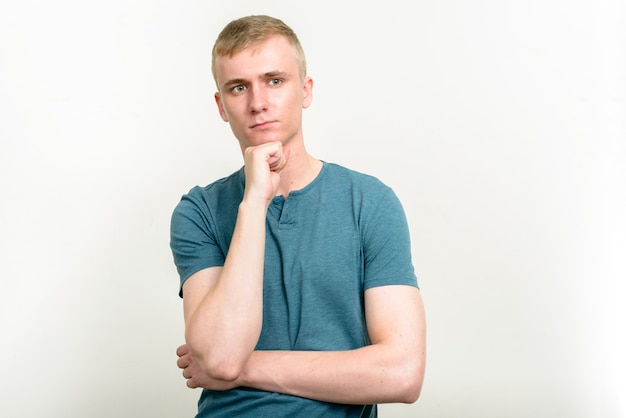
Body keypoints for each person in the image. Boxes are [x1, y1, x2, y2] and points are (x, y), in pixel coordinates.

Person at [170, 15, 426, 417]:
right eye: (239, 87)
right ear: (221, 105)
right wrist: (254, 202)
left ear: (305, 90)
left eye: (274, 81)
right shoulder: (199, 211)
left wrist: (243, 368)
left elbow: (402, 374)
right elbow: (220, 357)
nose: (258, 103)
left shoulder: (370, 202)